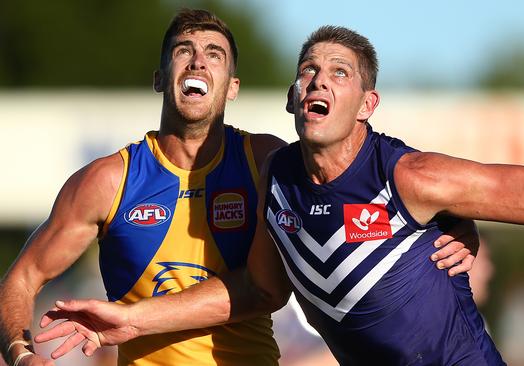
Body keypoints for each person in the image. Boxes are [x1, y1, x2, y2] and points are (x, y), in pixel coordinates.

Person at [34, 25, 524, 366]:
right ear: (291, 98)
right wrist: (129, 318)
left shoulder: (411, 176)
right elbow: (259, 291)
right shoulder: (273, 178)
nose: (318, 81)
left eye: (339, 72)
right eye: (308, 70)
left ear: (368, 104)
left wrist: (461, 223)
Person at [0, 12, 477, 366]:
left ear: (231, 87)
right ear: (160, 77)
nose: (198, 62)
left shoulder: (266, 162)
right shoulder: (109, 180)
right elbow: (21, 279)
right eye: (183, 51)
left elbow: (371, 181)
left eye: (215, 55)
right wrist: (22, 355)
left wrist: (458, 226)